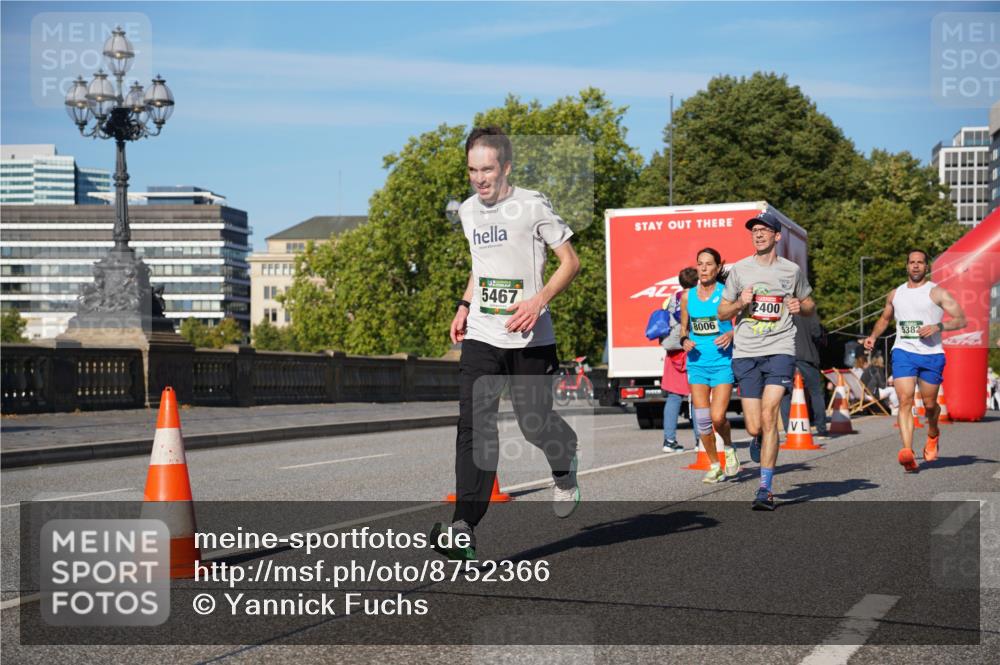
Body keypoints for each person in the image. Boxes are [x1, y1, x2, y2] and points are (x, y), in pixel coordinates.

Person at [432, 127, 582, 560]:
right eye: (472, 170)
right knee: (474, 425)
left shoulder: (532, 205)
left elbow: (570, 263)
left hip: (531, 336)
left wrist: (538, 301)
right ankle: (464, 524)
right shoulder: (467, 211)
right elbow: (482, 267)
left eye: (488, 169)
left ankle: (564, 458)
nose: (480, 179)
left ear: (507, 167)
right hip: (483, 334)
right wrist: (464, 304)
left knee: (534, 422)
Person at [717, 211, 816, 510]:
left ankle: (765, 488)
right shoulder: (740, 271)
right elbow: (722, 312)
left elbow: (809, 304)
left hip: (780, 348)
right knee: (753, 426)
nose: (758, 234)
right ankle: (757, 439)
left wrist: (802, 306)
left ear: (777, 236)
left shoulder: (791, 270)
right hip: (746, 351)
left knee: (771, 415)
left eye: (764, 230)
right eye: (754, 230)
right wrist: (739, 303)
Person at [863, 249, 966, 472]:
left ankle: (932, 432)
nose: (916, 266)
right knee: (905, 399)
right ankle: (908, 452)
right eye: (912, 262)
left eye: (920, 263)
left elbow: (961, 320)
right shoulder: (895, 294)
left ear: (926, 267)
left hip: (931, 355)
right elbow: (884, 318)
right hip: (903, 352)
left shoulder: (937, 292)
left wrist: (937, 326)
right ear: (907, 266)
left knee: (930, 406)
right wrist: (872, 337)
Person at [679, 248, 740, 482]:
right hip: (697, 364)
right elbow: (684, 328)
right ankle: (715, 464)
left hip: (722, 363)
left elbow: (745, 321)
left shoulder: (727, 294)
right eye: (700, 264)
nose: (703, 268)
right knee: (702, 420)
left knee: (717, 417)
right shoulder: (687, 297)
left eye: (708, 264)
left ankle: (730, 447)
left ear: (717, 268)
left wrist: (731, 334)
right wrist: (684, 340)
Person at [661, 267, 698, 453]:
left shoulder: (671, 299)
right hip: (691, 349)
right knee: (699, 396)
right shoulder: (696, 297)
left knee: (674, 397)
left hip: (673, 351)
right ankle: (701, 440)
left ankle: (669, 440)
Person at [779, 312, 830, 440]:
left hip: (786, 356)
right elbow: (817, 334)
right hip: (808, 357)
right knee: (816, 393)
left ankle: (789, 429)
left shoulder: (782, 310)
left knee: (786, 394)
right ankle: (821, 429)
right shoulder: (809, 312)